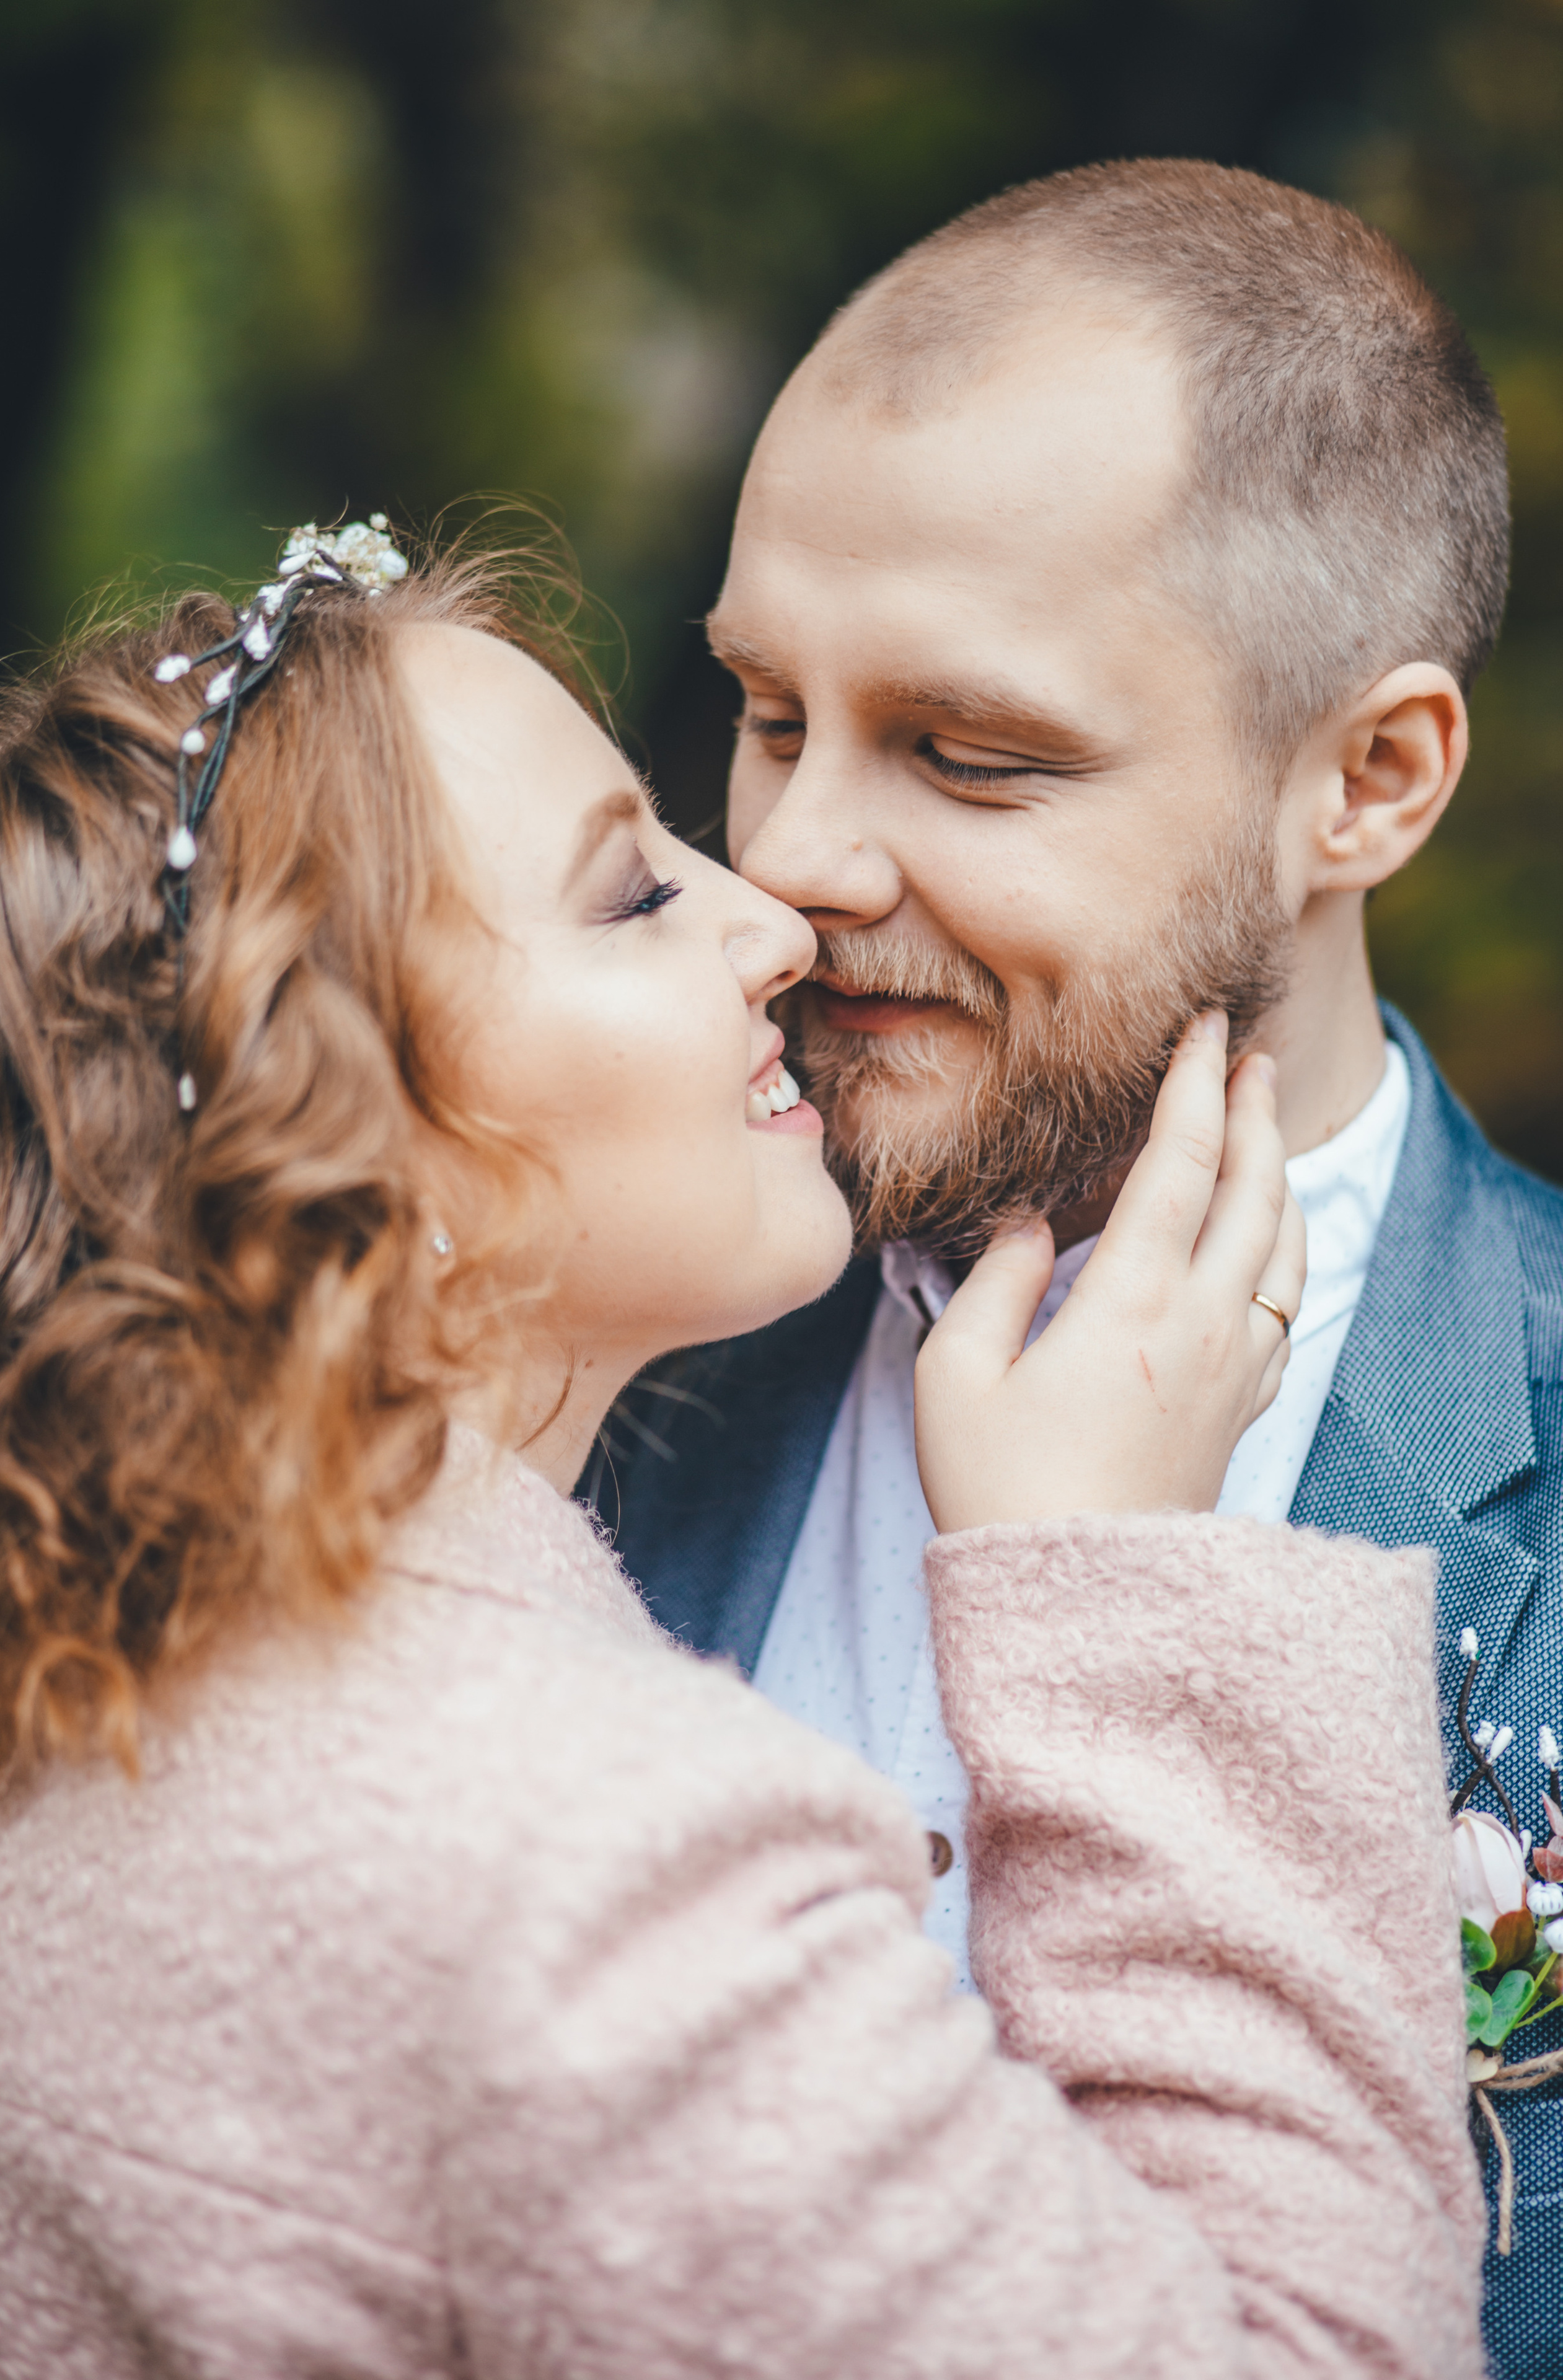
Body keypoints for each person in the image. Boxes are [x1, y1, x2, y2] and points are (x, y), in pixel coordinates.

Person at [0, 527, 1480, 2377]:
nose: (775, 912)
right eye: (631, 900)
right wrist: (1125, 1586)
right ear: (347, 1139)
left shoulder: (88, 1678)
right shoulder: (581, 1862)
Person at [584, 161, 1563, 2373]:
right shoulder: (587, 1359)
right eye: (763, 714)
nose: (798, 865)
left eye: (973, 754)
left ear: (1375, 781)